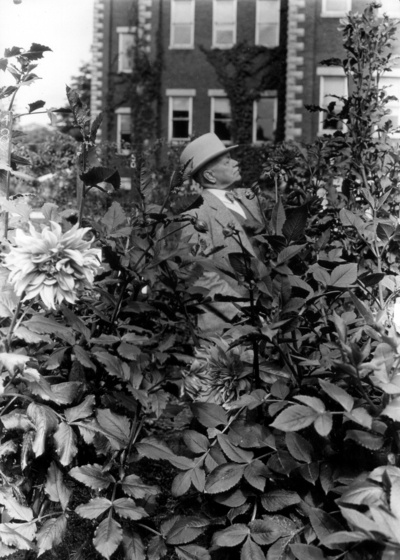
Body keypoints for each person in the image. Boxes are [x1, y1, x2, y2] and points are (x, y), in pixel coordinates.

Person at [180, 133, 265, 334]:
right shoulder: (196, 213)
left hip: (265, 315)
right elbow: (199, 274)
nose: (236, 163)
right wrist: (244, 311)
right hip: (227, 326)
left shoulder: (249, 199)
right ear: (210, 176)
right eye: (227, 161)